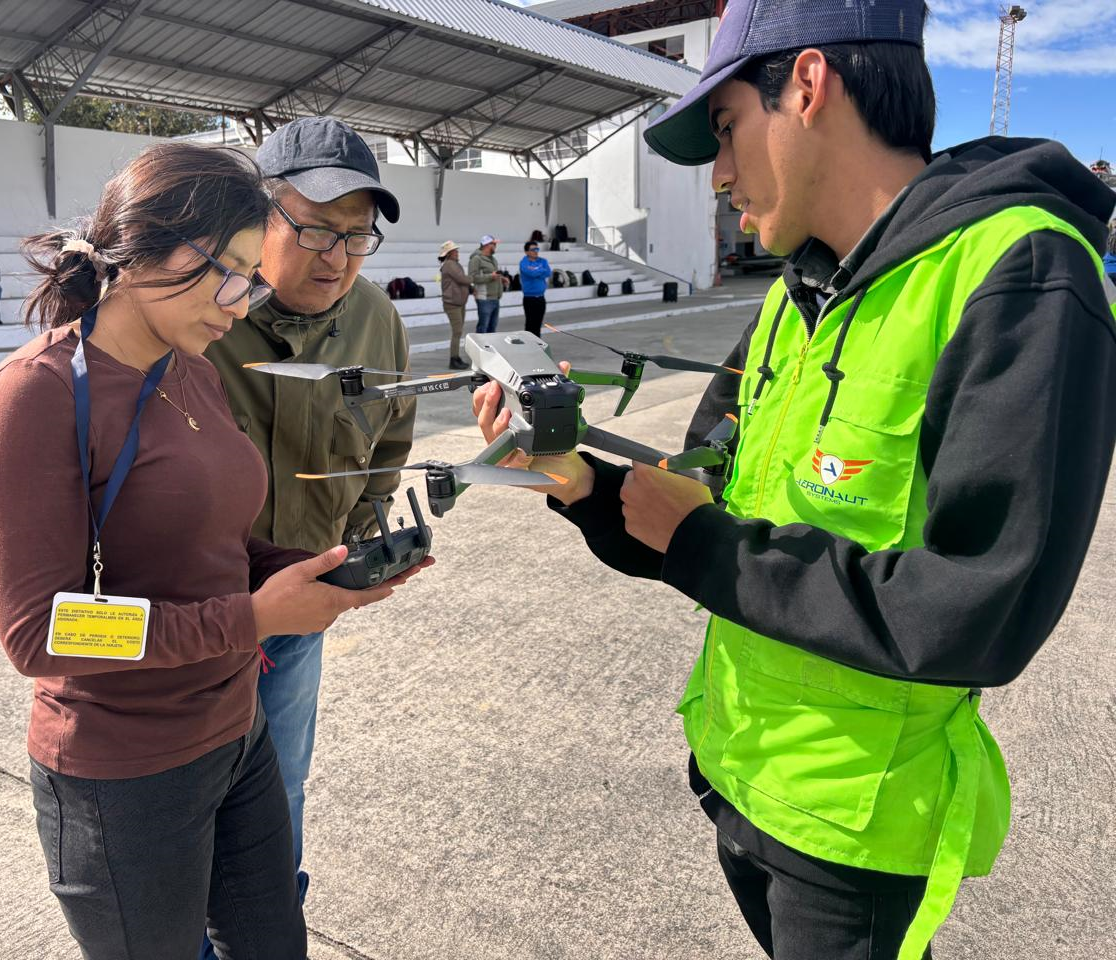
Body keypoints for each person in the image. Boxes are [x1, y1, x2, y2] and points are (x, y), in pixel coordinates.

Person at [472, 2, 1116, 958]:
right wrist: (577, 482)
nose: (719, 172)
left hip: (852, 829)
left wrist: (699, 541)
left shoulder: (1017, 272)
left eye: (727, 129)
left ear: (807, 87)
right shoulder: (791, 296)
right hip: (735, 770)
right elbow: (711, 513)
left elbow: (984, 608)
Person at [0, 142, 428, 960]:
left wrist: (297, 569)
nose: (243, 303)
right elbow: (41, 636)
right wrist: (250, 617)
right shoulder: (32, 399)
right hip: (126, 772)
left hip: (234, 729)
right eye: (231, 273)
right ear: (151, 245)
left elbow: (219, 537)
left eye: (253, 279)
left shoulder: (191, 370)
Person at [204, 116, 417, 932]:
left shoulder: (373, 319)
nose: (337, 256)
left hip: (302, 611)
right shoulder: (199, 309)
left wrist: (359, 540)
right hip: (200, 614)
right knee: (186, 811)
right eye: (316, 229)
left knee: (278, 797)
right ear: (259, 216)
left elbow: (388, 436)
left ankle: (268, 934)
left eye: (358, 236)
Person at [438, 239, 473, 369]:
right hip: (453, 303)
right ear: (449, 253)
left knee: (458, 332)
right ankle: (453, 359)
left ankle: (456, 357)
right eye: (455, 251)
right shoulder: (450, 265)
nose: (457, 253)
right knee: (457, 332)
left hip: (457, 302)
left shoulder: (452, 264)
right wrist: (474, 278)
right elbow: (462, 279)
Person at [468, 234, 508, 333]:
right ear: (486, 245)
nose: (495, 246)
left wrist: (501, 279)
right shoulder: (476, 259)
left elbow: (492, 274)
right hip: (484, 298)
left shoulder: (493, 259)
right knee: (483, 328)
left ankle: (489, 348)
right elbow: (472, 278)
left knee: (492, 328)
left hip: (495, 297)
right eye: (494, 244)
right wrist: (491, 277)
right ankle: (479, 348)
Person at [517, 240, 552, 337]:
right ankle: (529, 346)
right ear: (527, 252)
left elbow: (548, 272)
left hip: (541, 298)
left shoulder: (543, 261)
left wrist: (536, 270)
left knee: (538, 324)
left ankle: (538, 345)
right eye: (533, 249)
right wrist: (540, 270)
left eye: (537, 249)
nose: (536, 251)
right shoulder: (523, 262)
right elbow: (531, 273)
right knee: (530, 324)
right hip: (530, 298)